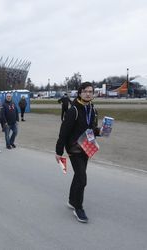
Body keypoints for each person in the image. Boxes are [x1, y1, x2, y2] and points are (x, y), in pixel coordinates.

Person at [55, 82, 101, 223]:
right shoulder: (73, 110)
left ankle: (71, 200)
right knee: (82, 178)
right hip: (74, 148)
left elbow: (91, 128)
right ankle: (78, 207)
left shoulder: (92, 109)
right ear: (80, 93)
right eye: (85, 91)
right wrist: (59, 151)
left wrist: (100, 131)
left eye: (91, 91)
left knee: (78, 175)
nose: (88, 93)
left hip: (87, 147)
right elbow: (63, 133)